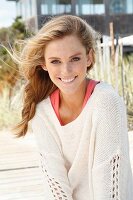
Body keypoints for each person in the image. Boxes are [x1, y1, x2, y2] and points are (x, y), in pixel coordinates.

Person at [13, 15, 133, 199]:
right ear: (44, 64)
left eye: (75, 59)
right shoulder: (42, 113)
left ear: (89, 58)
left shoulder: (106, 101)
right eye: (55, 61)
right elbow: (55, 183)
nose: (66, 70)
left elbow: (108, 182)